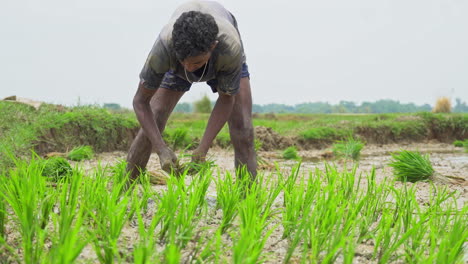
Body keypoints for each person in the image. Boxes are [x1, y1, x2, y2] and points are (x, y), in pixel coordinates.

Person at [126, 0, 257, 181]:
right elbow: (140, 102)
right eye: (184, 61)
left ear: (212, 47)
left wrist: (203, 148)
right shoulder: (165, 47)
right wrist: (161, 149)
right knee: (154, 118)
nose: (189, 68)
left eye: (195, 62)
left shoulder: (229, 48)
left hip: (222, 58)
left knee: (242, 127)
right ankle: (125, 191)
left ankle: (247, 199)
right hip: (176, 59)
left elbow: (227, 99)